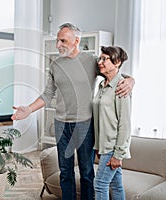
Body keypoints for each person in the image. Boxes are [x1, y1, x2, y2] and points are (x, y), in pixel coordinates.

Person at [11, 23, 134, 200]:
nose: (58, 45)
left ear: (76, 41)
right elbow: (47, 94)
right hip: (61, 125)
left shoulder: (92, 61)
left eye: (63, 40)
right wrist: (29, 109)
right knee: (65, 171)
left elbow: (115, 74)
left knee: (86, 172)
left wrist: (132, 81)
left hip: (85, 125)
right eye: (57, 40)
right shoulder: (55, 65)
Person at [93, 46, 131, 200]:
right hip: (104, 146)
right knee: (116, 185)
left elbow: (125, 124)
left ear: (117, 62)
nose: (100, 62)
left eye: (105, 59)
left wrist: (118, 154)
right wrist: (98, 145)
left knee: (100, 184)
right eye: (100, 58)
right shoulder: (102, 85)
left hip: (112, 147)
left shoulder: (121, 86)